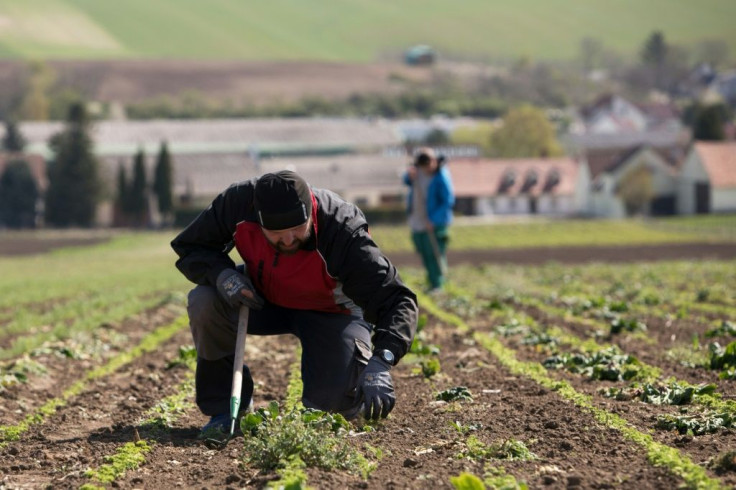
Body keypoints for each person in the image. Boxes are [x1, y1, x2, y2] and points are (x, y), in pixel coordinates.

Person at [171, 170, 418, 435]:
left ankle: (338, 390)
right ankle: (226, 407)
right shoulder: (238, 204)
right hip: (258, 297)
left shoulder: (342, 229)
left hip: (330, 310)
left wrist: (382, 360)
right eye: (276, 233)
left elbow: (397, 299)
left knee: (332, 408)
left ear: (311, 213)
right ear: (258, 217)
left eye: (296, 229)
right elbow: (191, 246)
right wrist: (222, 275)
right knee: (204, 300)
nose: (288, 240)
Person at [402, 147, 455, 292]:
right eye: (423, 167)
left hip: (434, 222)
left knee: (435, 253)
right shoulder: (417, 172)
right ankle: (431, 283)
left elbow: (447, 201)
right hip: (417, 220)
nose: (426, 170)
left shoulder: (441, 176)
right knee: (423, 252)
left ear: (434, 161)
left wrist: (434, 220)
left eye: (428, 166)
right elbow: (407, 180)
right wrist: (409, 176)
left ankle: (438, 284)